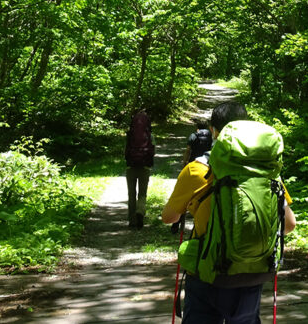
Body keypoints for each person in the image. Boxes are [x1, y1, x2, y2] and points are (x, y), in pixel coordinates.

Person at [162, 102, 297, 323]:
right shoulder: (267, 173)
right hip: (251, 271)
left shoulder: (197, 170)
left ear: (213, 131)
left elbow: (169, 217)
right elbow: (289, 224)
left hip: (206, 272)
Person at [125, 108, 155, 229]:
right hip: (145, 168)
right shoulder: (150, 136)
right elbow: (153, 151)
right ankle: (140, 212)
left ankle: (132, 221)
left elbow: (126, 150)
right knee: (142, 194)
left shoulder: (130, 135)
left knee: (131, 194)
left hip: (130, 167)